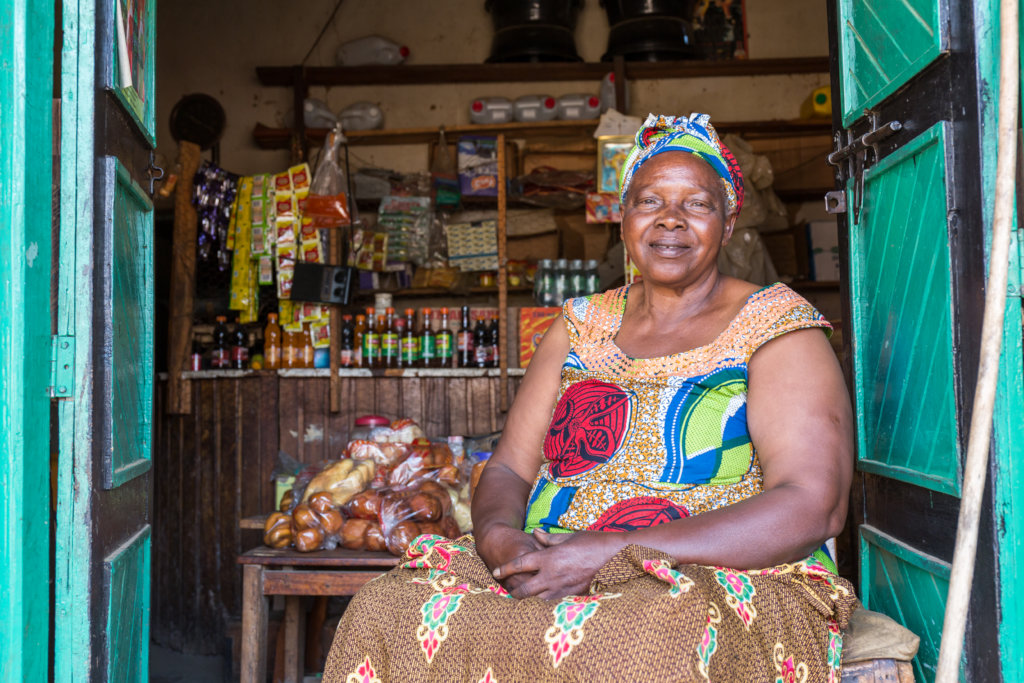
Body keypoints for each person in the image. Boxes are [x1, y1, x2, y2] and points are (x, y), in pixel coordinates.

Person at [324, 113, 857, 682]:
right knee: (385, 609)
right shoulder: (581, 324)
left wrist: (615, 553)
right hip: (551, 560)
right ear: (623, 220)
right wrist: (500, 537)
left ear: (727, 224)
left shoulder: (775, 326)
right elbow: (507, 466)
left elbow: (812, 503)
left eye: (697, 204)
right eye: (650, 201)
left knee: (636, 643)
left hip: (709, 575)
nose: (671, 220)